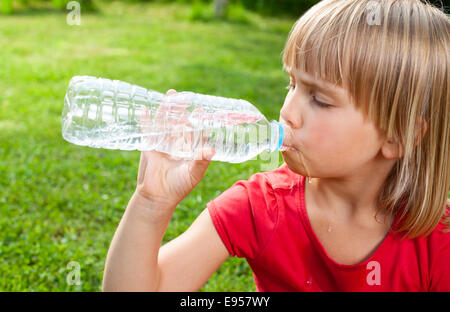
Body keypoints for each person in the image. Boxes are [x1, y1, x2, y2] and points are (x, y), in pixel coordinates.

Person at [102, 0, 450, 291]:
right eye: (292, 84)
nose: (287, 112)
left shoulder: (437, 241)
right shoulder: (260, 206)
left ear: (396, 137)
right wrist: (151, 204)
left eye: (320, 100)